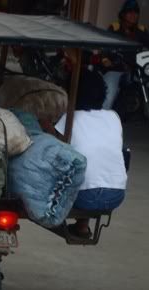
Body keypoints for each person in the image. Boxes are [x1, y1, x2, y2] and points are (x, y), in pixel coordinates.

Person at [54, 70, 128, 238]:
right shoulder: (113, 117)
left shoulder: (69, 118)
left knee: (57, 162)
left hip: (83, 197)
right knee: (89, 165)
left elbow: (54, 148)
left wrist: (44, 125)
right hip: (116, 195)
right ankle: (82, 226)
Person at [102, 0, 149, 109]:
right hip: (116, 68)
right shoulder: (115, 28)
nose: (133, 15)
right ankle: (102, 119)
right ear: (123, 14)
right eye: (130, 12)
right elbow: (106, 44)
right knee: (109, 94)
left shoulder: (140, 30)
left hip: (135, 68)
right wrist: (106, 58)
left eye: (135, 12)